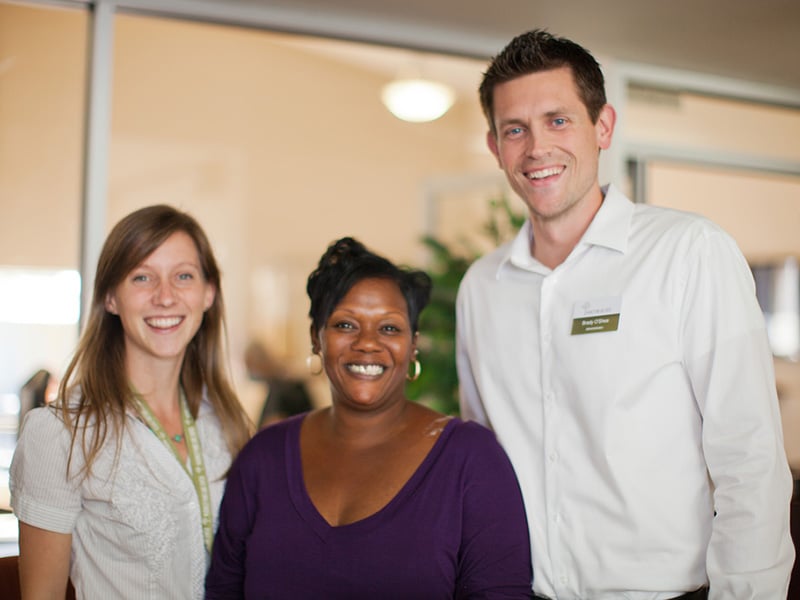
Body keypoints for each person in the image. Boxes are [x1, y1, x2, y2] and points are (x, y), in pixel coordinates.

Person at [455, 29, 794, 600]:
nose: (537, 147)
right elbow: (482, 461)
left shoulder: (688, 251)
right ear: (496, 148)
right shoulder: (481, 287)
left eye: (558, 120)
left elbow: (749, 459)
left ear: (603, 126)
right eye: (516, 129)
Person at [206, 236, 533, 598]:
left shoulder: (471, 460)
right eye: (345, 325)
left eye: (390, 328)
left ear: (412, 347)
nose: (367, 342)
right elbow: (223, 591)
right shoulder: (263, 458)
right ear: (317, 338)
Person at [10, 204, 252, 599]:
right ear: (110, 298)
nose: (165, 296)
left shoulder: (227, 424)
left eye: (184, 276)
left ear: (208, 293)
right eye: (142, 277)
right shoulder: (61, 435)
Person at [243, 339, 314, 428]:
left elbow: (273, 423)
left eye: (251, 367)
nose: (251, 374)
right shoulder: (279, 384)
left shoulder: (282, 388)